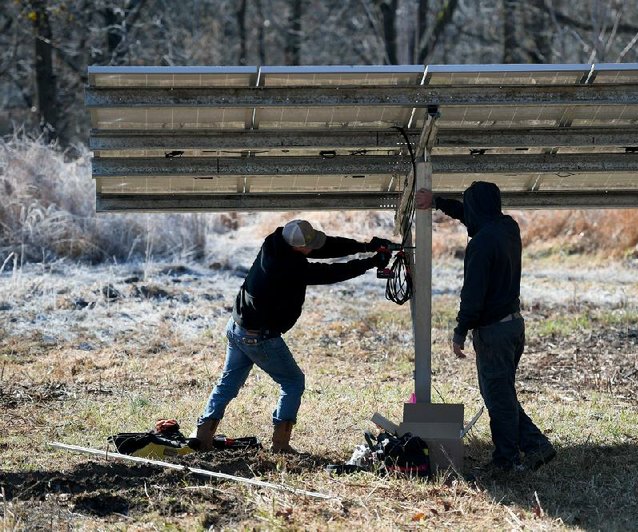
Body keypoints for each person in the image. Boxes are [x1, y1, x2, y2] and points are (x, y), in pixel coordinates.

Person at [190, 219, 392, 453]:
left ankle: (202, 438)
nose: (314, 248)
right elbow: (329, 273)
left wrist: (365, 246)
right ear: (297, 247)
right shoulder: (286, 267)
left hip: (237, 327)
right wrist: (371, 262)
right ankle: (281, 445)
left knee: (228, 383)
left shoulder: (275, 241)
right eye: (309, 245)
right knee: (293, 382)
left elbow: (325, 246)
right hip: (259, 337)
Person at [415, 182, 556, 472]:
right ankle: (535, 445)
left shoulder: (480, 245)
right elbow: (471, 214)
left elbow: (473, 294)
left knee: (498, 399)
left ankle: (506, 459)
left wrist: (460, 330)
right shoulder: (507, 228)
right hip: (514, 326)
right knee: (502, 393)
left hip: (493, 332)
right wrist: (439, 201)